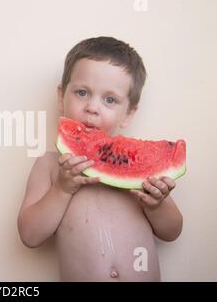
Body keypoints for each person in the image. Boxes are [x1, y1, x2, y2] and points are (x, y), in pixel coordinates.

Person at [17, 36, 183, 281]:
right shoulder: (50, 166)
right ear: (61, 98)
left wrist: (157, 204)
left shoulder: (142, 170)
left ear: (128, 113)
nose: (92, 107)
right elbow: (30, 235)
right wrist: (62, 189)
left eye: (110, 99)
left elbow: (172, 232)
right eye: (82, 93)